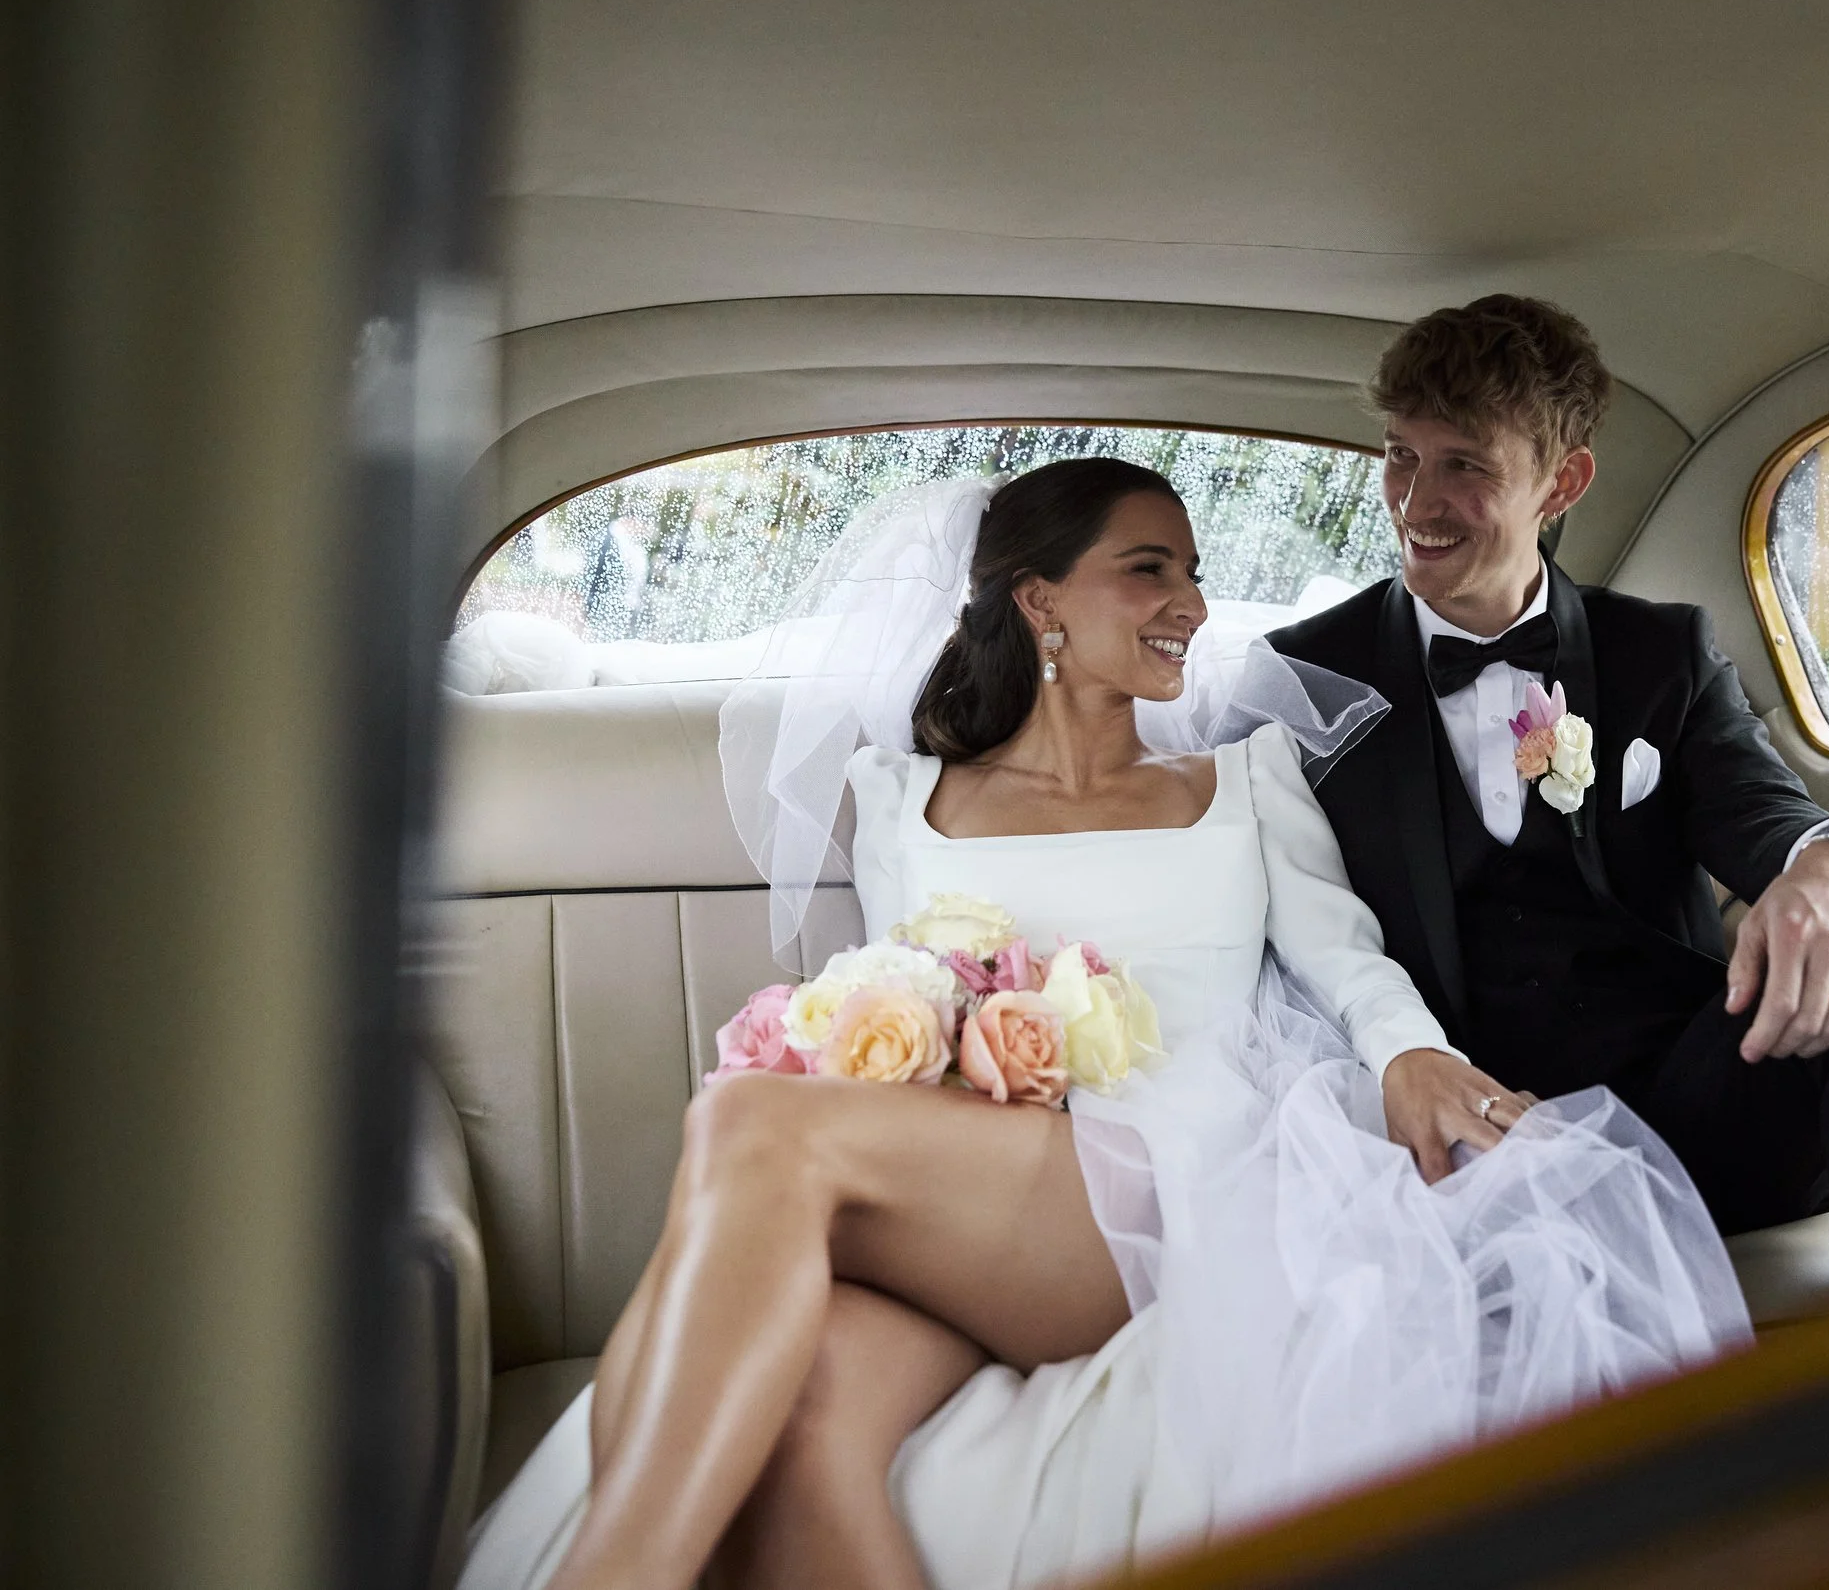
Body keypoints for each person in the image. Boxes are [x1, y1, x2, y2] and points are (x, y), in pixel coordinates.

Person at [465, 459, 1748, 1590]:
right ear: (1040, 604)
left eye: (1192, 570)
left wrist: (1413, 1053)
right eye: (1149, 569)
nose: (1190, 601)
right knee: (807, 1429)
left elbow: (1341, 955)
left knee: (744, 1112)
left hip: (1177, 1172)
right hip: (975, 1203)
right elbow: (899, 994)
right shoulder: (902, 793)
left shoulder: (1244, 778)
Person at [1267, 295, 1829, 1282]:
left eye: (1465, 464)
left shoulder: (1660, 653)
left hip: (1689, 1115)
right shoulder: (1308, 677)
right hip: (1463, 1138)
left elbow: (1765, 814)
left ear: (1562, 481)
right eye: (1401, 454)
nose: (1414, 502)